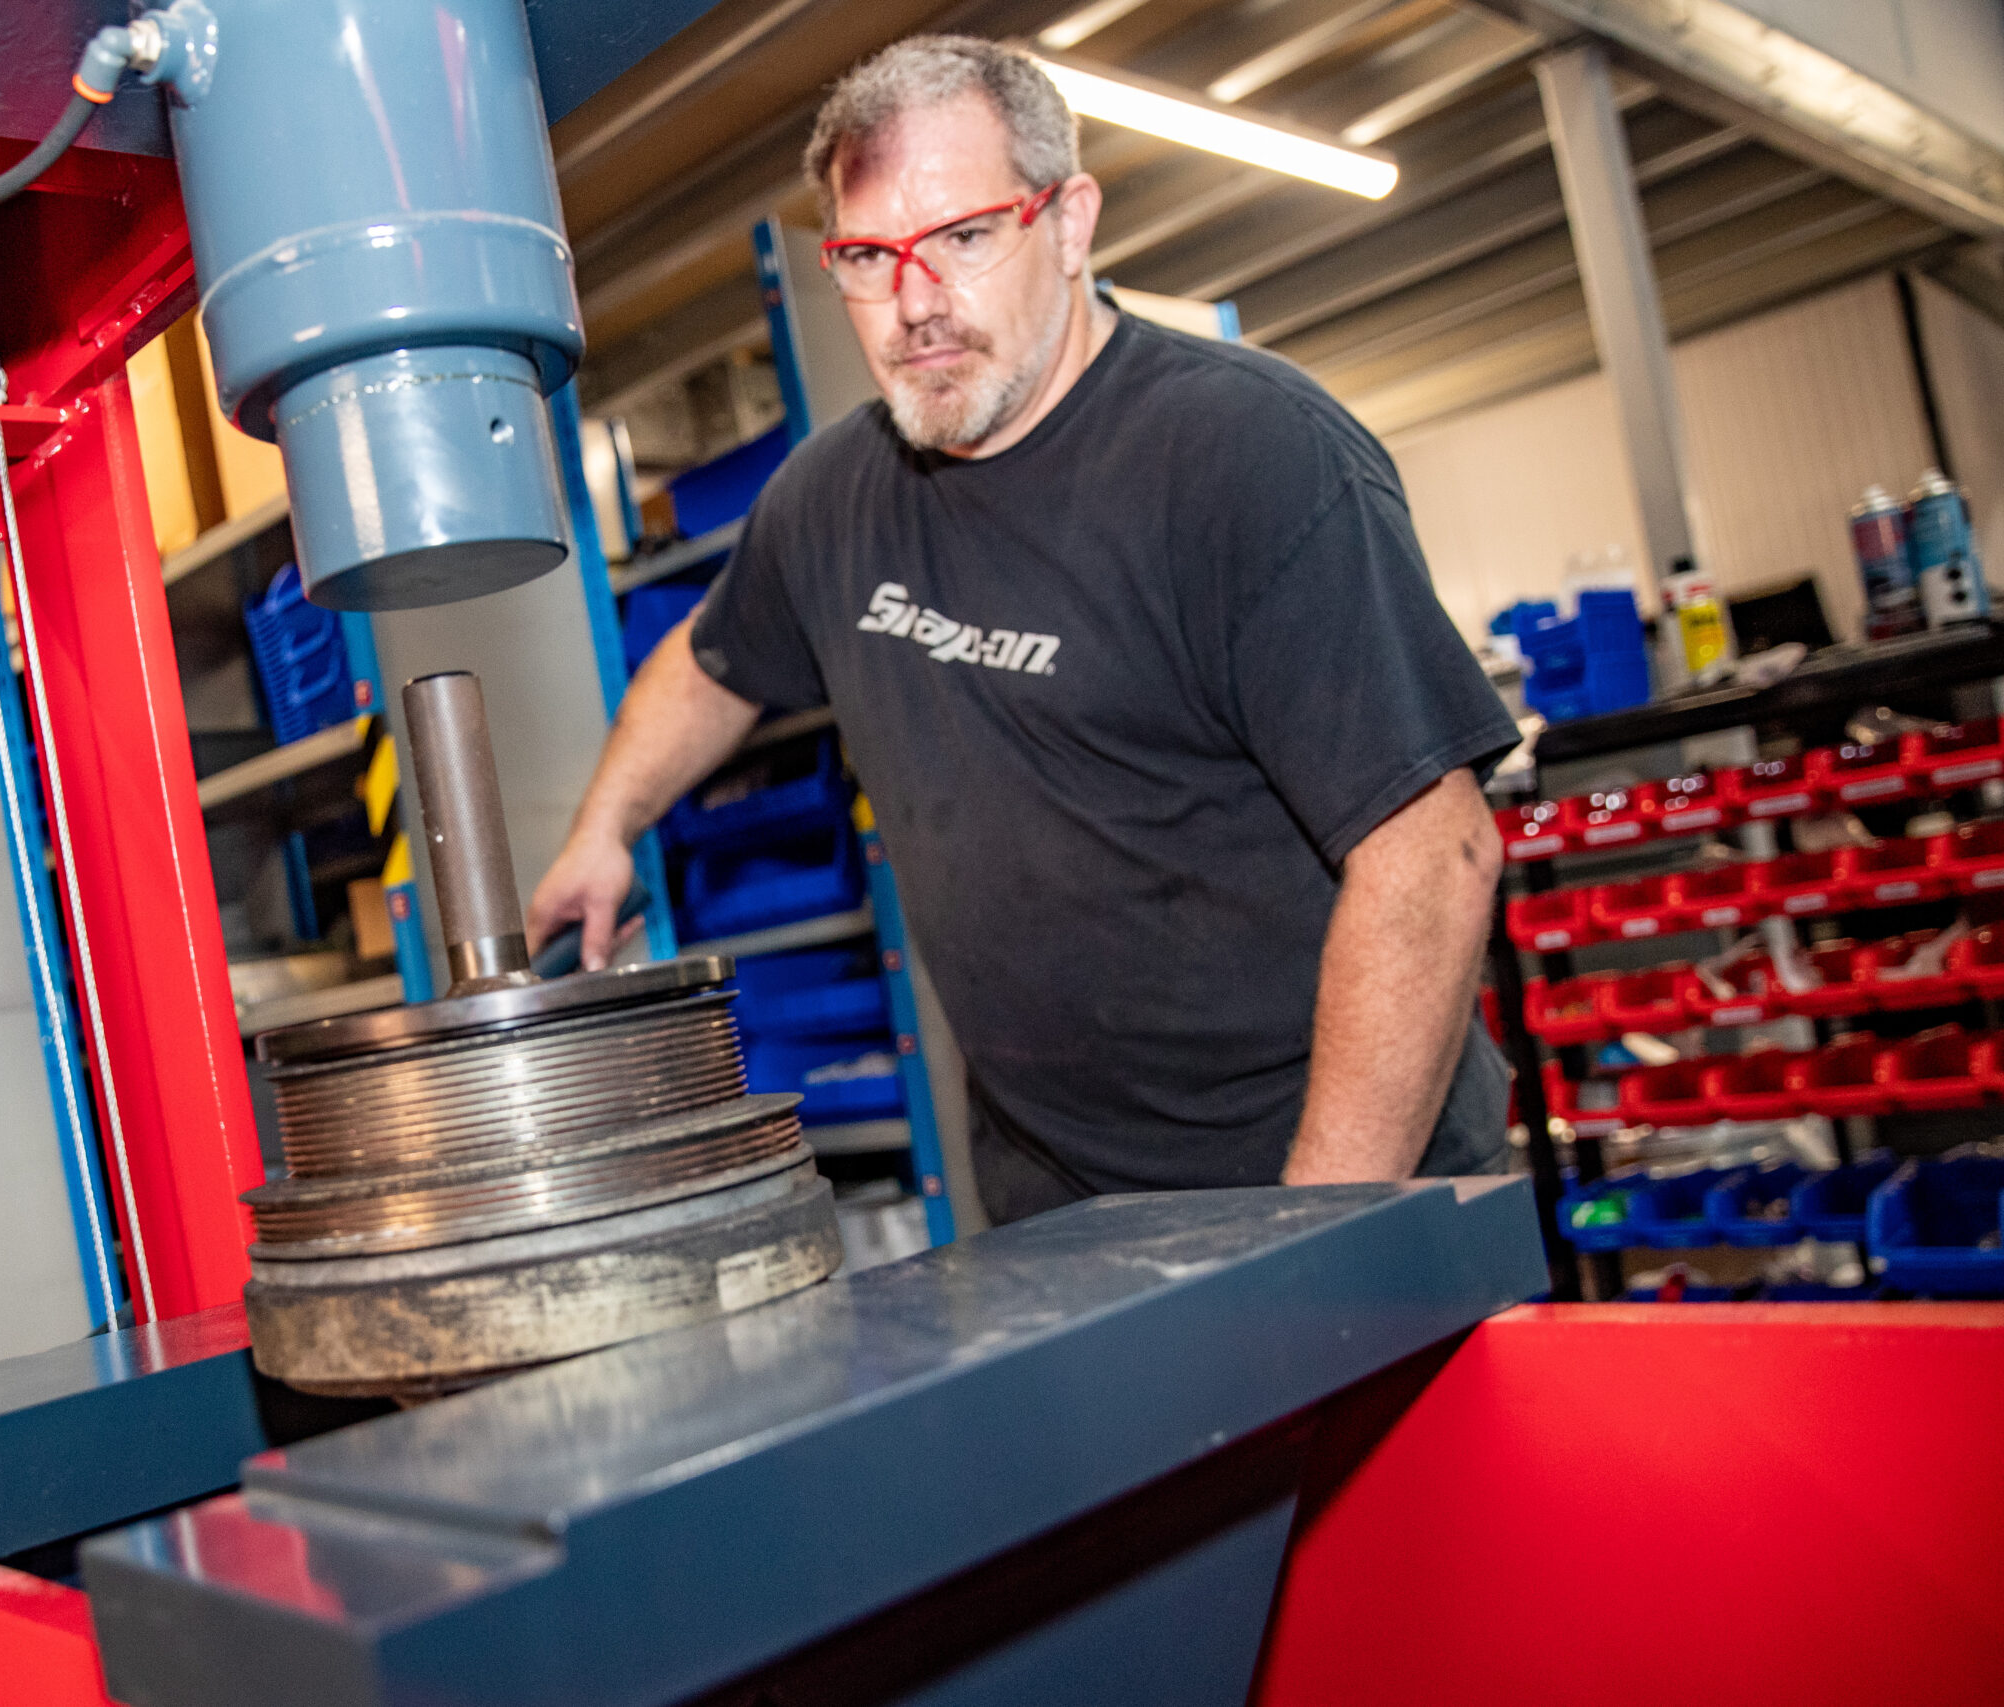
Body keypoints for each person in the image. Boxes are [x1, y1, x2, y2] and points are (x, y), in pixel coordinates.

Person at [527, 35, 1519, 1224]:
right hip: (1061, 1207)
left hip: (1339, 1176)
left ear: (1067, 223)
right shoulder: (833, 497)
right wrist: (603, 830)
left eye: (961, 237)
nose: (913, 303)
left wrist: (1311, 1241)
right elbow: (710, 662)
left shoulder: (1250, 458)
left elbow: (1431, 859)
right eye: (865, 256)